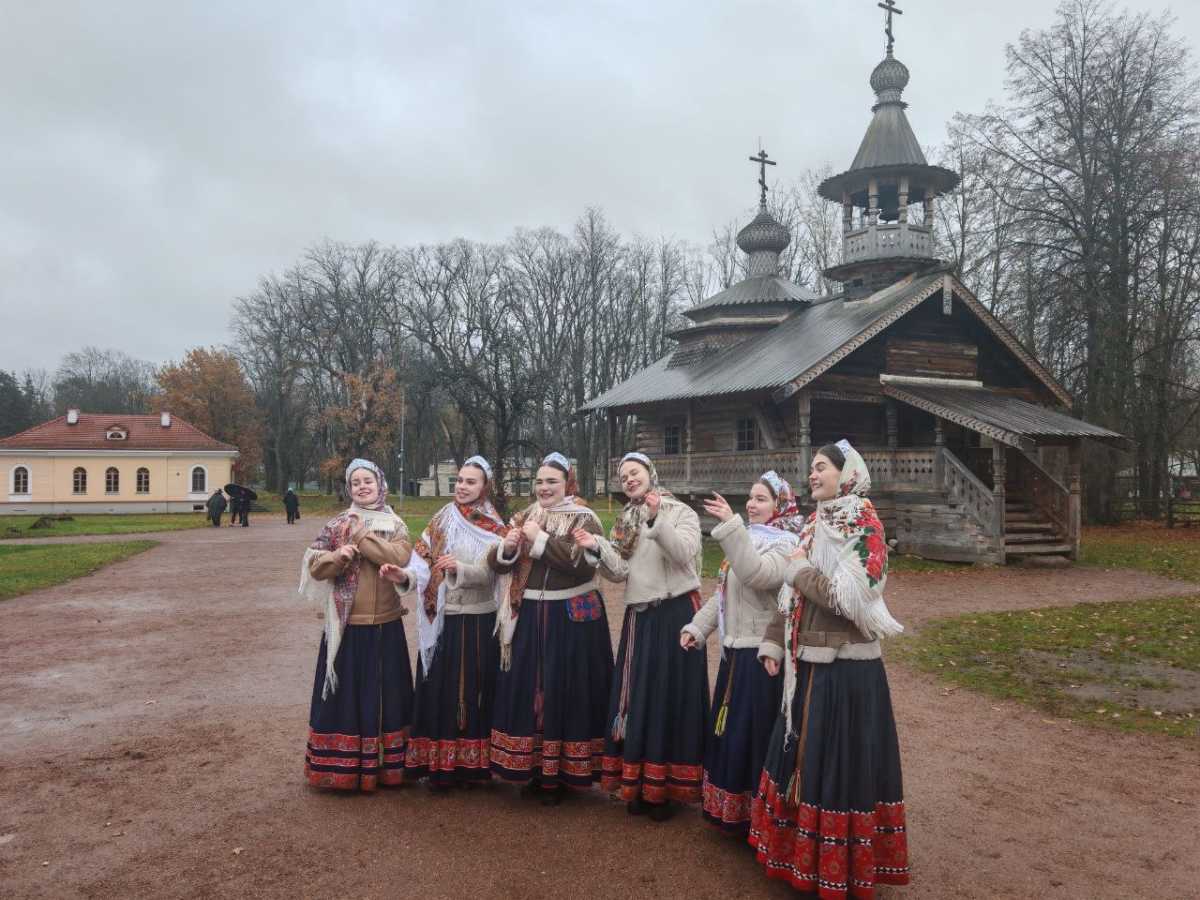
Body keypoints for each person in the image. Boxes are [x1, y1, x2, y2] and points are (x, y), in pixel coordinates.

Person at [749, 441, 909, 897]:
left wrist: (799, 572)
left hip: (846, 668)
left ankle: (839, 869)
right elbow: (792, 597)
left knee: (837, 767)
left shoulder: (863, 523)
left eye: (821, 468)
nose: (812, 475)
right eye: (811, 469)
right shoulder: (814, 525)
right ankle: (804, 860)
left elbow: (850, 599)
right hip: (808, 663)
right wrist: (774, 643)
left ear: (847, 473)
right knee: (804, 760)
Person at [574, 451, 706, 823]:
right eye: (624, 476)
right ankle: (643, 783)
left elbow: (684, 555)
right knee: (641, 699)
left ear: (650, 473)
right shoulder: (625, 520)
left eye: (635, 473)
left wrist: (657, 518)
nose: (629, 480)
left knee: (668, 698)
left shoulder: (679, 511)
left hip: (676, 611)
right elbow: (619, 573)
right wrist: (596, 547)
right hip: (640, 616)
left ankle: (669, 788)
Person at [486, 452, 614, 805]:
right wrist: (507, 548)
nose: (544, 487)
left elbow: (583, 566)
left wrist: (540, 540)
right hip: (528, 614)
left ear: (568, 483)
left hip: (570, 620)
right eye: (539, 481)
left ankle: (562, 774)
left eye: (551, 481)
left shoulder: (584, 517)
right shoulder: (524, 515)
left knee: (564, 691)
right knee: (532, 690)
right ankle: (533, 769)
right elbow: (497, 564)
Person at [680, 470, 799, 835]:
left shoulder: (788, 544)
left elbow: (757, 576)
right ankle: (729, 811)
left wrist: (731, 526)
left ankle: (757, 820)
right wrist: (697, 629)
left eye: (761, 498)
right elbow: (722, 596)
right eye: (750, 497)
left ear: (780, 506)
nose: (751, 504)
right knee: (730, 732)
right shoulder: (746, 538)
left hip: (761, 656)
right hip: (734, 654)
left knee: (752, 735)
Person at [381, 456, 506, 790]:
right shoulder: (440, 519)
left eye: (470, 482)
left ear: (485, 486)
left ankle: (473, 768)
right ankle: (439, 765)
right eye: (460, 481)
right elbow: (422, 564)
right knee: (440, 689)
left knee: (472, 692)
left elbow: (493, 574)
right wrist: (404, 575)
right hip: (441, 622)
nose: (462, 487)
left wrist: (458, 570)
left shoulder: (493, 524)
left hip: (477, 620)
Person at [298, 459, 415, 791]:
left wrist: (360, 535)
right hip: (347, 626)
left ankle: (389, 769)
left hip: (386, 624)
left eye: (368, 481)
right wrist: (338, 557)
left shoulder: (395, 523)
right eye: (356, 483)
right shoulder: (336, 525)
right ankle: (342, 769)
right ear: (349, 489)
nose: (363, 487)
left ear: (381, 485)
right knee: (346, 697)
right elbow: (315, 567)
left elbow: (399, 557)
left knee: (386, 696)